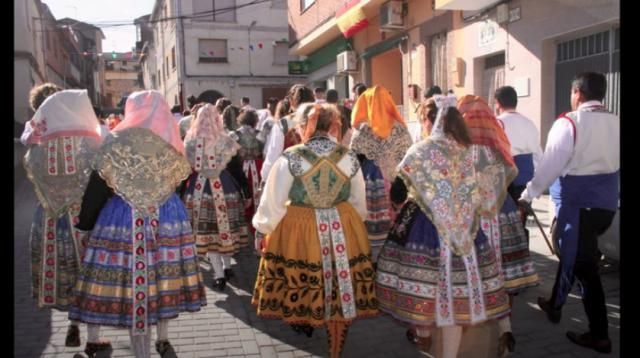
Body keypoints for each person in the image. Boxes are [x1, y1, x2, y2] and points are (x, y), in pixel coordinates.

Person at [70, 91, 207, 358]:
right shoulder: (171, 139)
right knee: (163, 277)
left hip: (121, 218)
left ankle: (136, 346)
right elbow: (178, 184)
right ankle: (163, 339)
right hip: (167, 217)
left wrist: (85, 225)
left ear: (131, 110)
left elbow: (97, 189)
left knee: (127, 280)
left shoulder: (116, 141)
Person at [376, 95, 511, 357]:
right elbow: (487, 192)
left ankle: (425, 337)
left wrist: (402, 202)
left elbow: (398, 191)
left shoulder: (421, 150)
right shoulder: (468, 150)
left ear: (431, 119)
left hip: (426, 231)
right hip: (466, 233)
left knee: (425, 292)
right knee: (456, 299)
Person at [252, 103, 378, 358]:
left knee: (307, 282)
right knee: (340, 289)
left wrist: (263, 229)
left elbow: (274, 200)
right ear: (333, 126)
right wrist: (354, 223)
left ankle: (310, 318)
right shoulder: (348, 156)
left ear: (304, 126)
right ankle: (335, 350)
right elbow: (358, 200)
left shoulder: (292, 156)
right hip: (342, 225)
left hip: (301, 230)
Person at [520, 72, 619, 353]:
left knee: (585, 268)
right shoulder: (616, 122)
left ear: (577, 93)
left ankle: (599, 334)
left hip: (578, 207)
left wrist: (528, 195)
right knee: (575, 255)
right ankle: (555, 303)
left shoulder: (569, 123)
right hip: (606, 205)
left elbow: (549, 167)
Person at [459, 94, 540, 356]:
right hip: (500, 214)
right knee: (499, 276)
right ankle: (505, 329)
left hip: (472, 220)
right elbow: (510, 174)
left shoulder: (459, 149)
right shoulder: (497, 146)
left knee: (474, 277)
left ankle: (478, 331)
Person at [21, 88, 102, 349]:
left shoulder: (37, 140)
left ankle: (71, 323)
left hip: (48, 217)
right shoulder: (89, 140)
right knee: (89, 275)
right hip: (84, 217)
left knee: (63, 273)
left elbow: (32, 171)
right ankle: (91, 338)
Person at [181, 104, 250, 291]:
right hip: (226, 188)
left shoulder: (190, 143)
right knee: (225, 230)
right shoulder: (226, 140)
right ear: (217, 119)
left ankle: (219, 274)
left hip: (199, 191)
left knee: (208, 233)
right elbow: (237, 170)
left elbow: (184, 172)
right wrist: (246, 192)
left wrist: (180, 195)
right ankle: (227, 268)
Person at [349, 85, 413, 264]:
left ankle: (371, 262)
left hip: (370, 186)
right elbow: (408, 159)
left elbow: (354, 160)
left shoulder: (362, 130)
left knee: (369, 231)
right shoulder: (400, 129)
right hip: (396, 185)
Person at [495, 86, 543, 219]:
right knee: (522, 218)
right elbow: (538, 155)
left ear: (498, 103)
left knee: (506, 220)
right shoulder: (529, 123)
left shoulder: (497, 123)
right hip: (525, 177)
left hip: (506, 177)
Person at [260, 84, 314, 182]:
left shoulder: (284, 123)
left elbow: (273, 153)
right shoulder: (321, 120)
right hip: (316, 173)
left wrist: (264, 177)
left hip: (290, 176)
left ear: (291, 101)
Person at [230, 109, 264, 235]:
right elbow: (264, 151)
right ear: (254, 121)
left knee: (242, 193)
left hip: (240, 166)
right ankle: (256, 224)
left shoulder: (235, 134)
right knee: (257, 195)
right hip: (257, 165)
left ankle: (241, 226)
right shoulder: (260, 134)